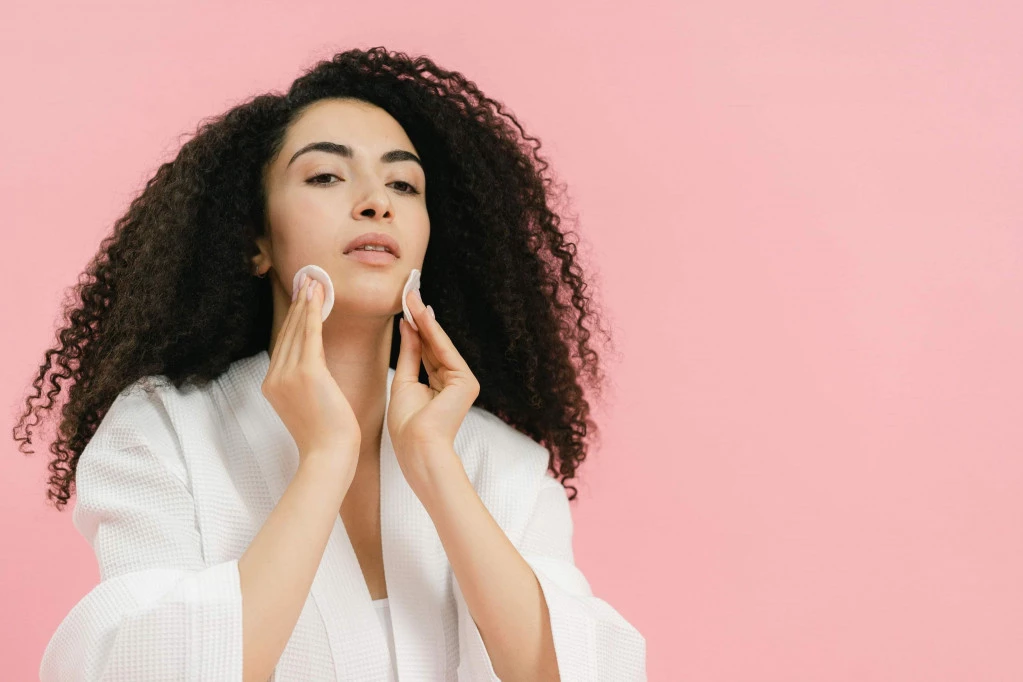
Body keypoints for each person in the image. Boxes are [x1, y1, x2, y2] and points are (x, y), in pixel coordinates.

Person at [17, 46, 646, 681]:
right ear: (256, 240)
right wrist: (325, 459)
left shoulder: (502, 465)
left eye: (404, 185)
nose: (377, 202)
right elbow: (147, 668)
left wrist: (434, 463)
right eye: (325, 177)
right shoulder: (162, 432)